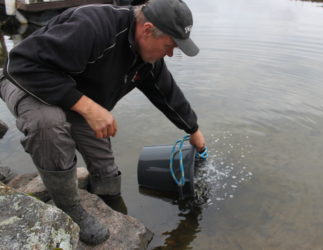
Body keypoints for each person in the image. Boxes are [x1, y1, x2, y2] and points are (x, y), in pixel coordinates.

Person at [0, 0, 206, 245]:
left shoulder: (146, 57)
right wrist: (87, 107)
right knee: (48, 123)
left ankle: (113, 209)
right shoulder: (94, 26)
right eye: (170, 46)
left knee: (107, 174)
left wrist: (193, 130)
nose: (171, 54)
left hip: (71, 92)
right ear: (148, 29)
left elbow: (167, 94)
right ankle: (69, 209)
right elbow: (22, 65)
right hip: (27, 81)